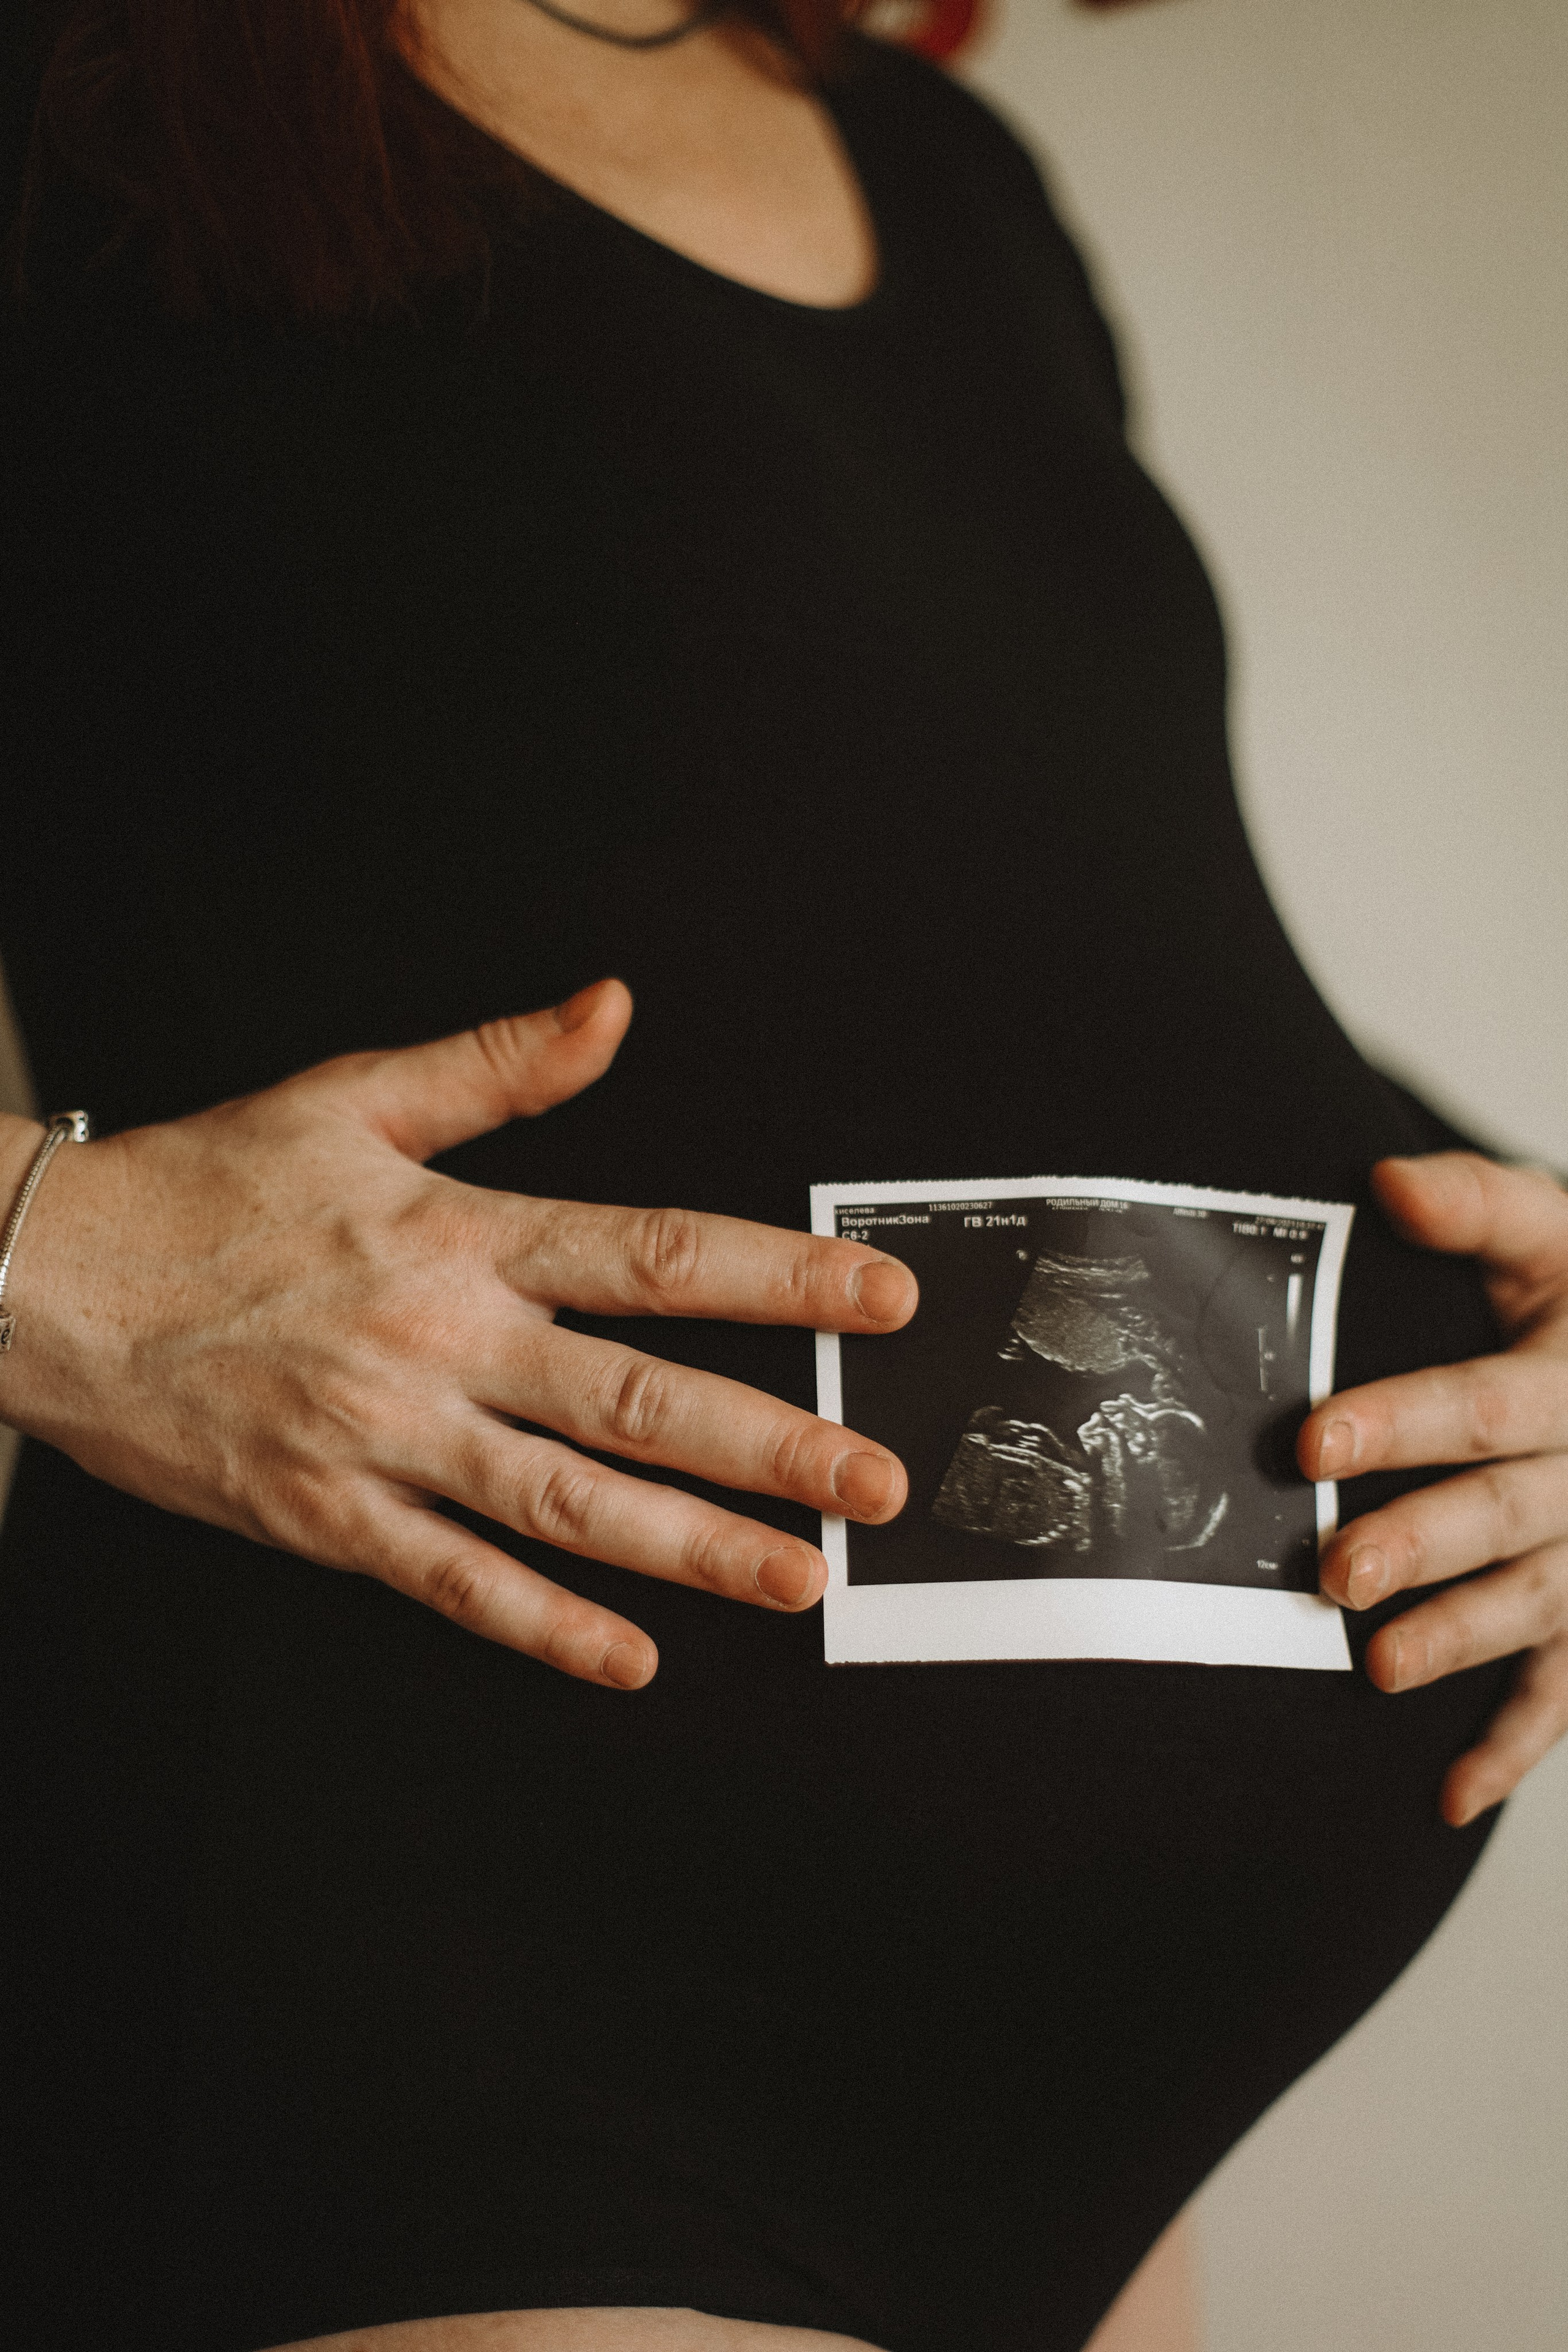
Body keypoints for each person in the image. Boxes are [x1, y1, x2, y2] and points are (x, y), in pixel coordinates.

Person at [2, 1, 1566, 2347]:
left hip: (1108, 2115)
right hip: (469, 1994)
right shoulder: (85, 94)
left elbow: (1033, 938)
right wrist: (63, 1260)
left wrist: (1521, 1277)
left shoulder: (944, 175)